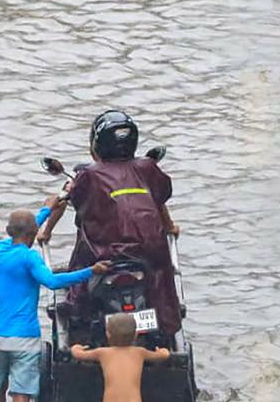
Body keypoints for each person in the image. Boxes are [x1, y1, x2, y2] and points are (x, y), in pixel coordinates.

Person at [39, 110, 181, 343]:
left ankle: (79, 313)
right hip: (149, 255)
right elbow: (160, 200)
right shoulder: (147, 168)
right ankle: (165, 324)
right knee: (163, 280)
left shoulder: (88, 176)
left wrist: (45, 231)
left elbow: (68, 200)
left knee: (81, 268)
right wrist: (170, 227)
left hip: (106, 255)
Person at [0, 200, 109, 402]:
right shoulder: (31, 258)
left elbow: (23, 231)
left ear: (9, 232)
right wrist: (91, 271)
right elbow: (52, 282)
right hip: (24, 340)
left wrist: (46, 210)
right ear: (32, 235)